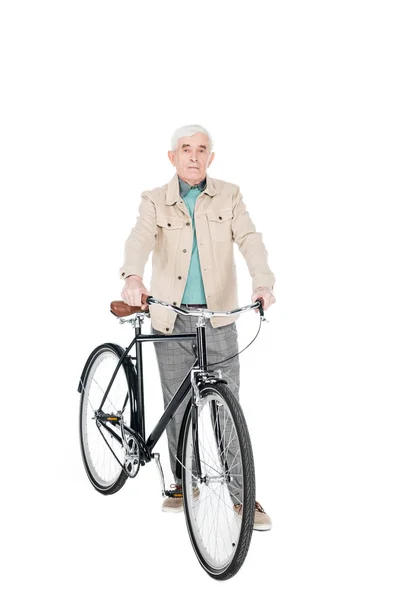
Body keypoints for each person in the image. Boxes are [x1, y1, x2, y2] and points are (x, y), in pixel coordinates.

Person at [120, 124, 276, 531]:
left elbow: (250, 239)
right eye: (185, 149)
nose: (193, 156)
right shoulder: (154, 200)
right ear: (172, 157)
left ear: (211, 157)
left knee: (228, 407)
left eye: (201, 149)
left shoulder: (229, 194)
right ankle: (180, 483)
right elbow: (138, 239)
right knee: (178, 403)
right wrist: (132, 276)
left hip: (218, 316)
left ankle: (243, 496)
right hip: (171, 317)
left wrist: (263, 282)